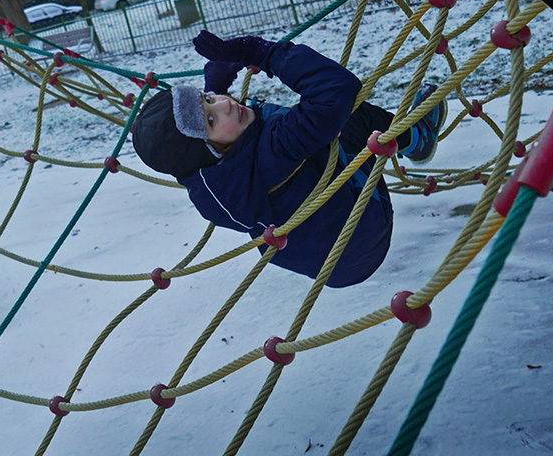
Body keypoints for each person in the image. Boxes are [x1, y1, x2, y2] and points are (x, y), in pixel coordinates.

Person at [130, 31, 446, 288]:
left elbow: (220, 149)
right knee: (347, 115)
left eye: (208, 100)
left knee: (316, 131)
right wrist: (259, 52)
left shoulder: (210, 187)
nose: (225, 105)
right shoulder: (276, 149)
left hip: (328, 269)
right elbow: (336, 89)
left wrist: (215, 88)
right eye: (211, 120)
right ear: (206, 152)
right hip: (363, 232)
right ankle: (417, 138)